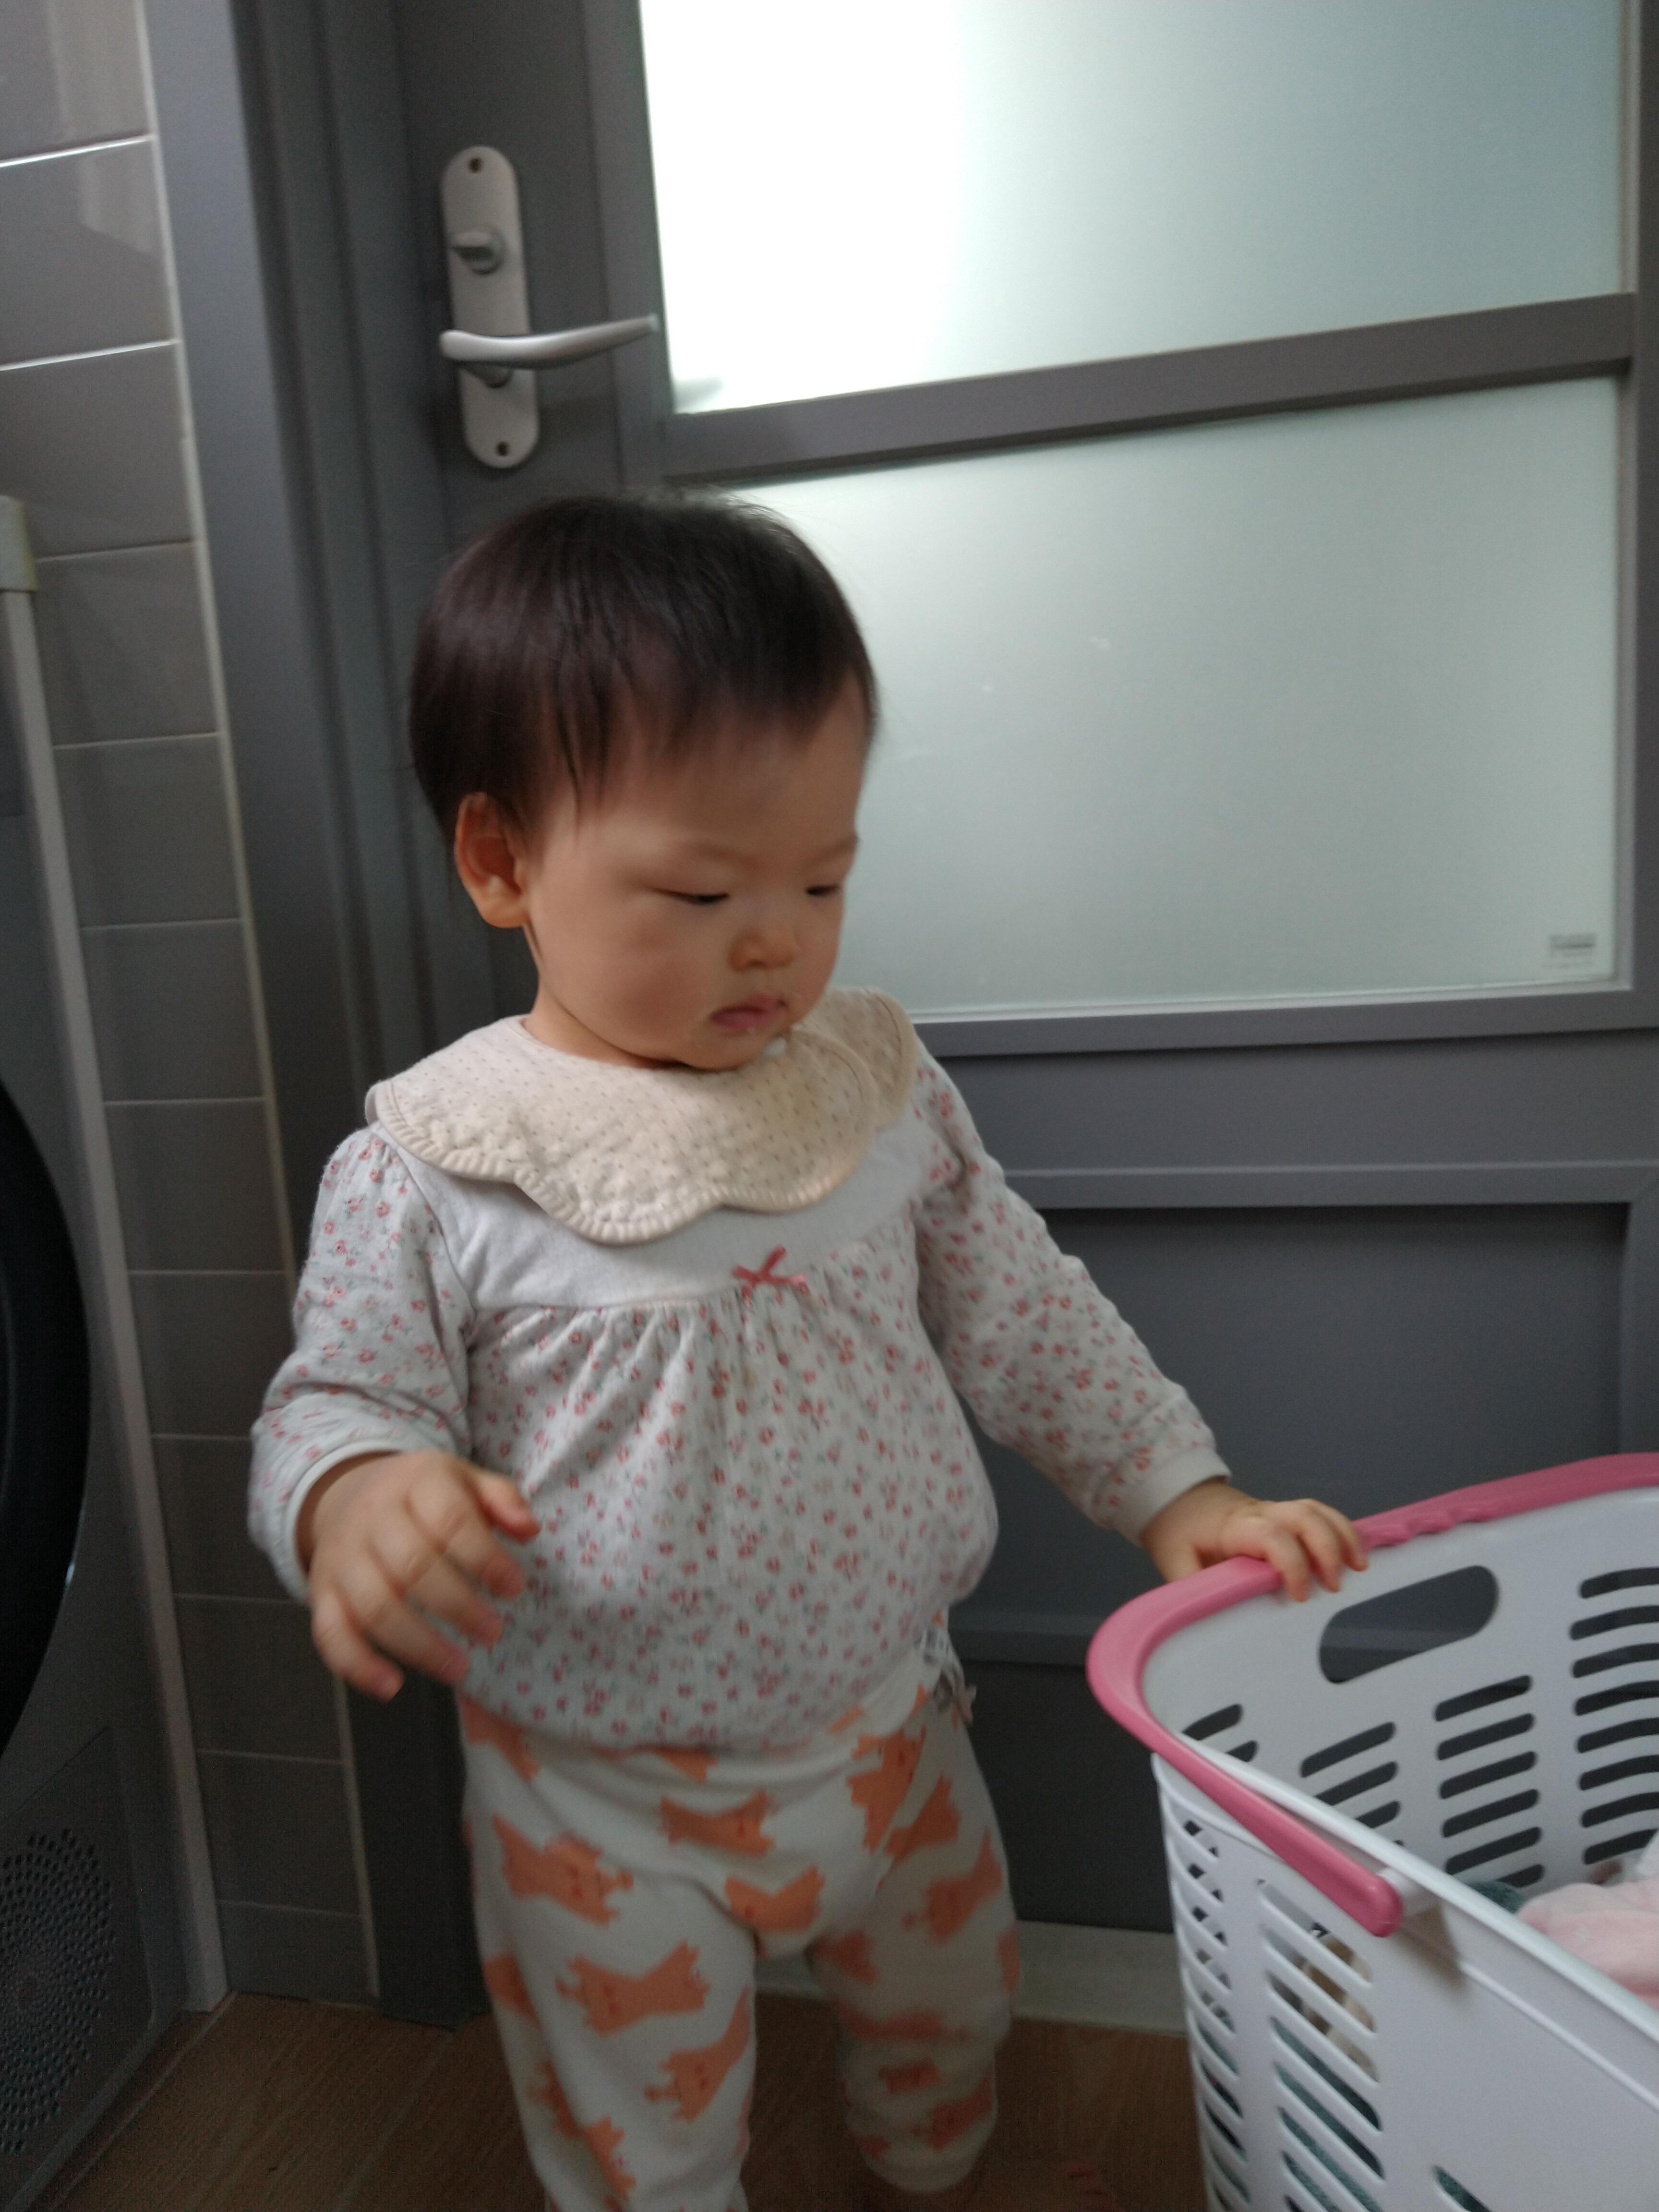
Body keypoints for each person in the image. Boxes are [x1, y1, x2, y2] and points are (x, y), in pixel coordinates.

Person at [249, 493, 1366, 2212]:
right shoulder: (438, 1164)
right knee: (643, 2130)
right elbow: (337, 1395)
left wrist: (1178, 1492)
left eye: (823, 878)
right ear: (501, 861)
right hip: (597, 1798)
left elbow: (1024, 1308)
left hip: (895, 1732)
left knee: (952, 2013)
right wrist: (358, 1491)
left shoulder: (877, 1095)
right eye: (702, 888)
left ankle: (935, 2175)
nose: (776, 935)